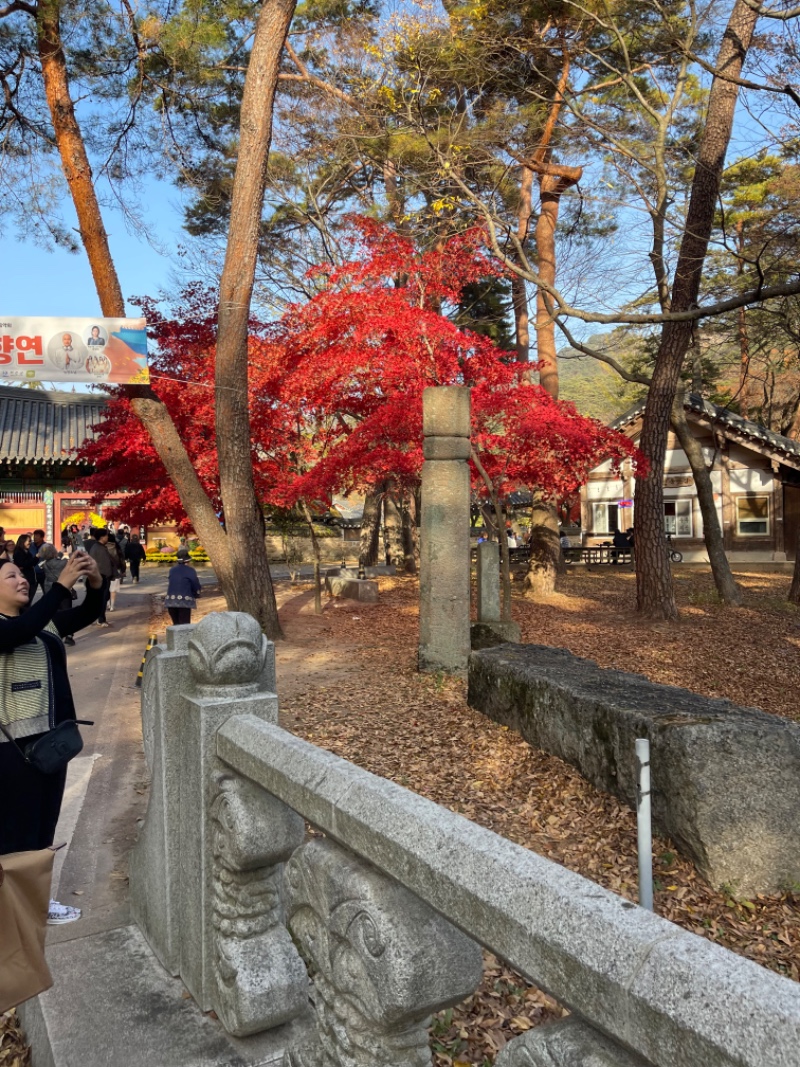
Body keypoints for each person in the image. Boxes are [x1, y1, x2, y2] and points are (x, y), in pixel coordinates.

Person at [0, 550, 103, 923]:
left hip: (50, 746)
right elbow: (16, 632)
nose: (22, 579)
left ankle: (36, 904)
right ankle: (21, 909)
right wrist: (60, 586)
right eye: (11, 576)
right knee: (16, 834)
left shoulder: (44, 624)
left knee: (43, 826)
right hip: (10, 752)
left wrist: (94, 582)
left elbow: (87, 614)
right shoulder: (10, 626)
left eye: (22, 575)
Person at [164, 547, 201, 625]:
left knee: (176, 625)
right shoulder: (190, 570)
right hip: (184, 602)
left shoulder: (172, 570)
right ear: (187, 561)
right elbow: (195, 584)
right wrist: (197, 594)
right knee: (184, 627)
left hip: (171, 601)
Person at [86, 527, 114, 626]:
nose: (107, 537)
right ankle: (101, 619)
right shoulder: (97, 548)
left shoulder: (101, 547)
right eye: (106, 535)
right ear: (102, 537)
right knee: (102, 598)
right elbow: (99, 564)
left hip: (104, 576)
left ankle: (101, 617)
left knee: (105, 598)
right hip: (101, 577)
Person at [13, 534, 37, 605]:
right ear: (22, 541)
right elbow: (25, 564)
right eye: (29, 541)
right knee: (25, 600)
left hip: (30, 577)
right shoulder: (18, 552)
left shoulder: (26, 551)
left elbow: (30, 563)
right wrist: (36, 557)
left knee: (29, 598)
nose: (30, 543)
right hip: (25, 578)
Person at [105, 535, 126, 612]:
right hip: (115, 570)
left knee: (106, 588)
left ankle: (107, 604)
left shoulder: (102, 547)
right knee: (113, 590)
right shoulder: (117, 547)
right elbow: (121, 560)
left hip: (104, 570)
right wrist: (123, 570)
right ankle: (112, 606)